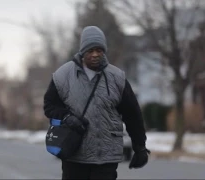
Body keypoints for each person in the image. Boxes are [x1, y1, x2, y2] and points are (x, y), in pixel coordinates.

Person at [43, 26, 150, 180]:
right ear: (82, 51)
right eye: (90, 50)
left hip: (105, 156)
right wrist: (67, 117)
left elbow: (132, 114)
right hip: (75, 154)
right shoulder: (63, 76)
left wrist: (140, 146)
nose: (95, 54)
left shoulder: (117, 78)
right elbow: (50, 106)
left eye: (99, 50)